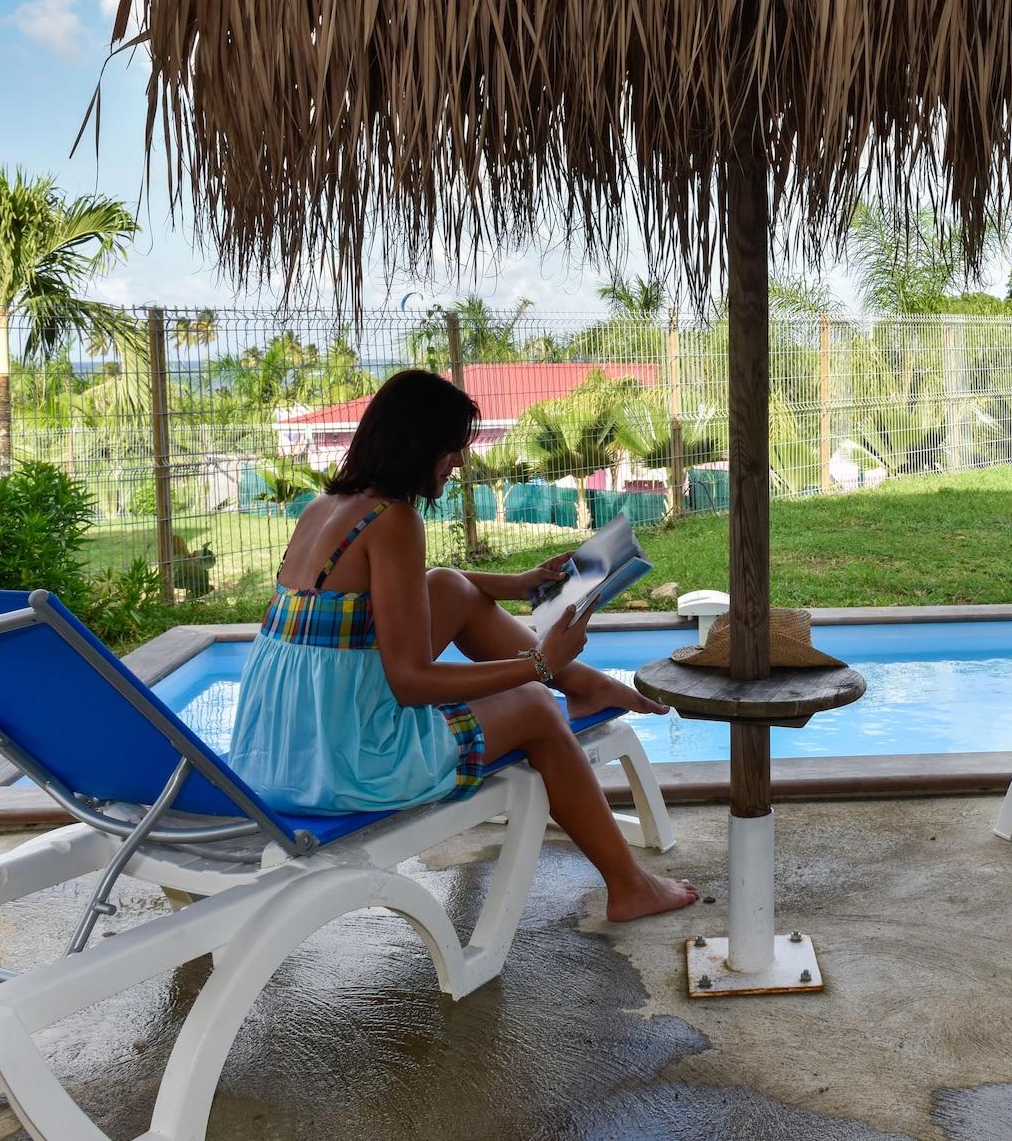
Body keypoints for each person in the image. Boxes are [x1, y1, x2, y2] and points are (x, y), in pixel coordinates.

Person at [228, 368, 697, 921]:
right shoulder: (396, 520)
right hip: (343, 769)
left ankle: (584, 685)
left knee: (448, 585)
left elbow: (385, 597)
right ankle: (629, 885)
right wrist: (536, 666)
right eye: (452, 449)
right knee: (536, 710)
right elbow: (411, 682)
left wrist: (514, 584)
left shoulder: (324, 510)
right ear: (419, 445)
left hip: (277, 754)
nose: (458, 462)